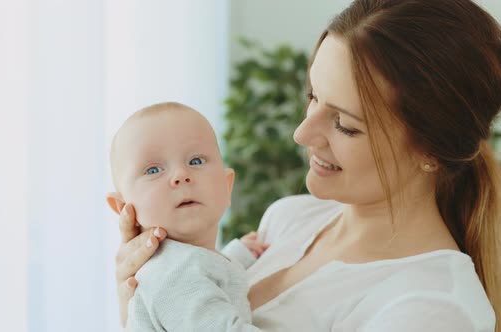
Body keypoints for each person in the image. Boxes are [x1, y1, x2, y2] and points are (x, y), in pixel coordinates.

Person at [111, 0, 501, 330]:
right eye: (314, 96)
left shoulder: (430, 311)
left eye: (346, 126)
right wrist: (139, 292)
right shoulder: (287, 221)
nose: (301, 133)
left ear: (430, 151)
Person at [107, 102, 269, 331]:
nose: (181, 175)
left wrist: (237, 255)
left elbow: (205, 272)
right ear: (124, 208)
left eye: (196, 161)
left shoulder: (179, 266)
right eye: (153, 170)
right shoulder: (173, 277)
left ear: (227, 186)